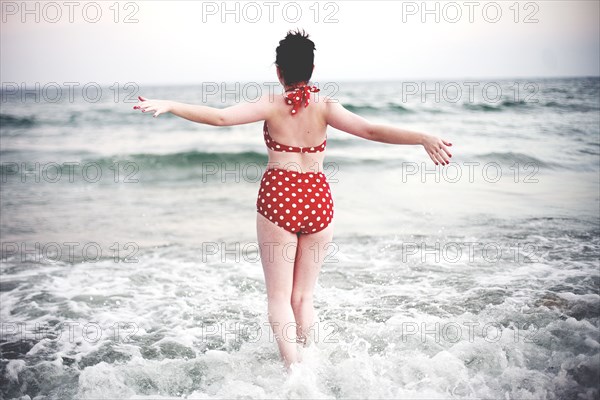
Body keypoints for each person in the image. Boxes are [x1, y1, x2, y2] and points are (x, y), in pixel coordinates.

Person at [133, 29, 452, 371]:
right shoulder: (327, 106)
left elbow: (222, 117)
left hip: (279, 197)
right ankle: (309, 363)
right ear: (312, 69)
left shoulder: (272, 103)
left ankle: (293, 372)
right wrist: (423, 137)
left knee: (278, 298)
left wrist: (170, 105)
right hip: (318, 200)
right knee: (303, 297)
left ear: (278, 71)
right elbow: (372, 131)